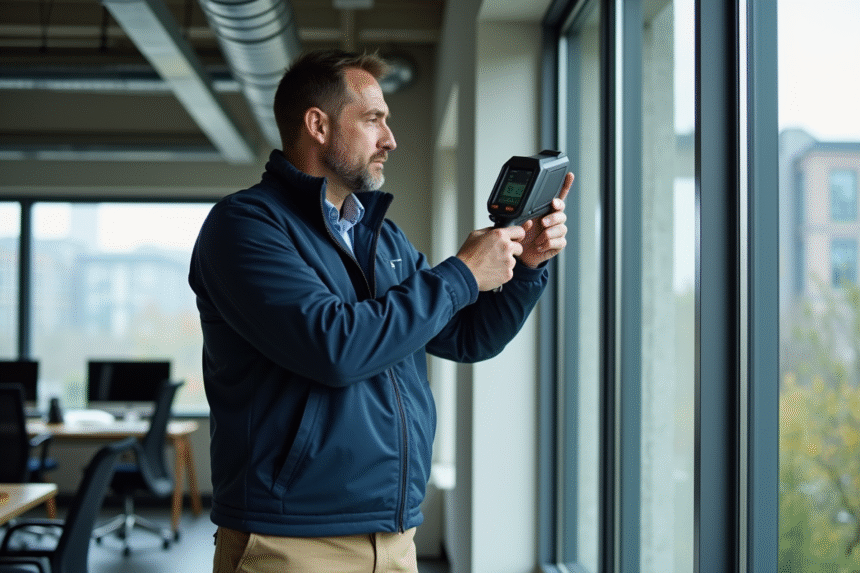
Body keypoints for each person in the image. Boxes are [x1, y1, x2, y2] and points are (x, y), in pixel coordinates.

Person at [189, 48, 573, 573]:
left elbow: (466, 336)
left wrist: (526, 267)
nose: (390, 139)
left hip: (394, 538)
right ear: (318, 125)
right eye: (374, 120)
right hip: (293, 542)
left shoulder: (380, 236)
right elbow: (334, 347)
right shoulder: (245, 227)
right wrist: (461, 272)